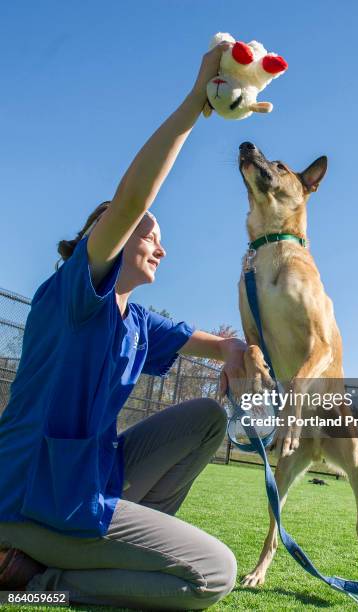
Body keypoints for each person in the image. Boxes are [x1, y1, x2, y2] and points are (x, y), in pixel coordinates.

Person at [0, 41, 244, 610]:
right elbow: (134, 197)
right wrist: (193, 105)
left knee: (206, 419)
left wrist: (239, 356)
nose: (161, 245)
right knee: (212, 575)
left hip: (85, 488)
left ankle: (93, 554)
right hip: (29, 499)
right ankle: (38, 589)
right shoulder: (74, 295)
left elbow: (216, 345)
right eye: (148, 233)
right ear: (107, 234)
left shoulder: (135, 320)